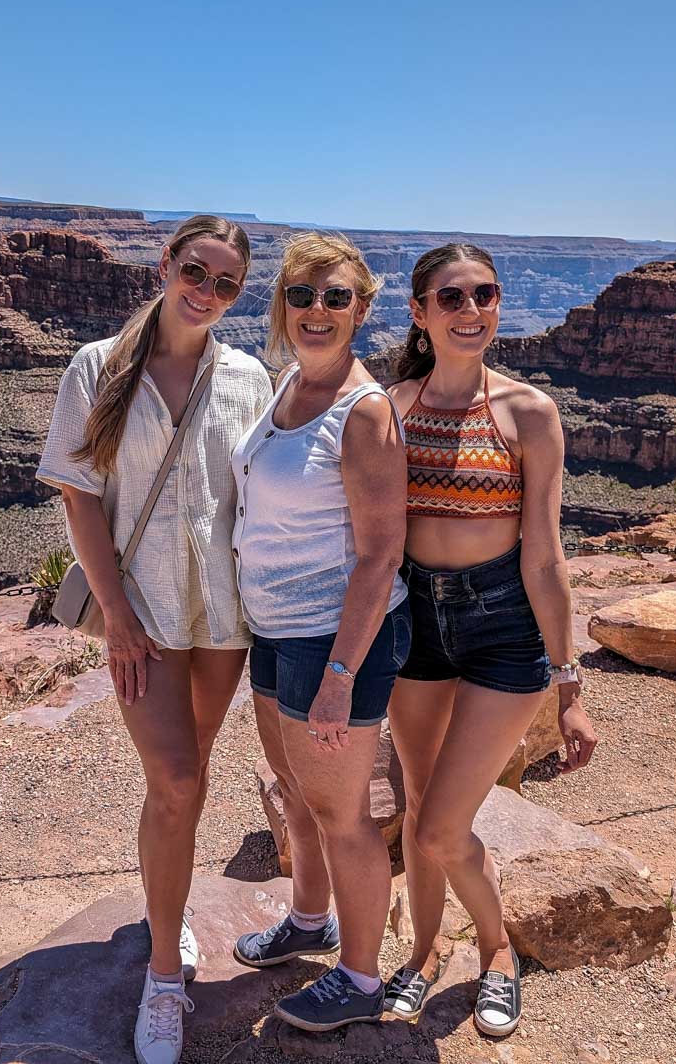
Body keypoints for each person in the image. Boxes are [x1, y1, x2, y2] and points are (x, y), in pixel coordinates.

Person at [36, 215, 272, 1064]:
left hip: (225, 615)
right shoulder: (97, 367)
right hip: (146, 614)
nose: (205, 293)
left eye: (225, 284)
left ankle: (160, 912)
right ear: (165, 264)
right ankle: (165, 976)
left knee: (193, 773)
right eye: (195, 272)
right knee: (174, 779)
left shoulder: (248, 377)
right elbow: (78, 500)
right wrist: (118, 618)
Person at [383, 243, 598, 1036]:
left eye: (486, 295)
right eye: (452, 298)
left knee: (443, 823)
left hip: (502, 624)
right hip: (416, 625)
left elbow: (544, 554)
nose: (471, 311)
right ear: (420, 311)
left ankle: (498, 951)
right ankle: (425, 951)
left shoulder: (528, 413)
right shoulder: (391, 406)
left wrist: (567, 683)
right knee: (415, 806)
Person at [229, 231, 411, 1033]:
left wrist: (340, 676)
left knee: (343, 817)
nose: (316, 310)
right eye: (301, 295)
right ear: (282, 305)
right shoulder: (287, 386)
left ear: (362, 309)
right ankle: (310, 921)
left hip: (331, 641)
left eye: (336, 297)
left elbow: (381, 558)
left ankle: (361, 979)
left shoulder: (362, 412)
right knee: (296, 795)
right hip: (274, 631)